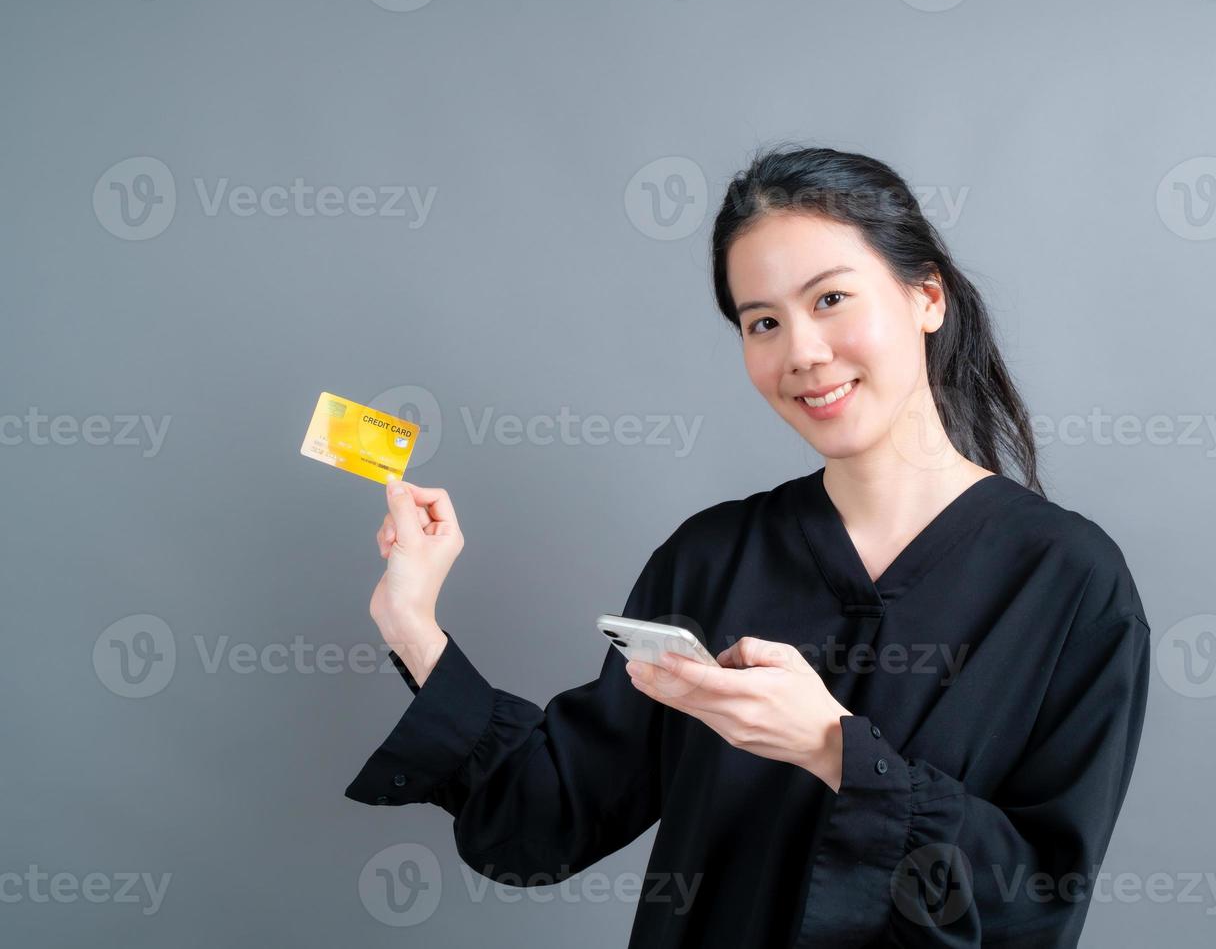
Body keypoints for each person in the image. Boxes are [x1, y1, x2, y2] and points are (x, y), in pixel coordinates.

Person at [344, 146, 1151, 948]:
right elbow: (543, 825)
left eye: (830, 298)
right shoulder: (710, 558)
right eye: (762, 321)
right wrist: (413, 624)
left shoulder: (1068, 582)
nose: (800, 352)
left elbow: (1037, 901)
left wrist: (835, 750)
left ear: (927, 296)